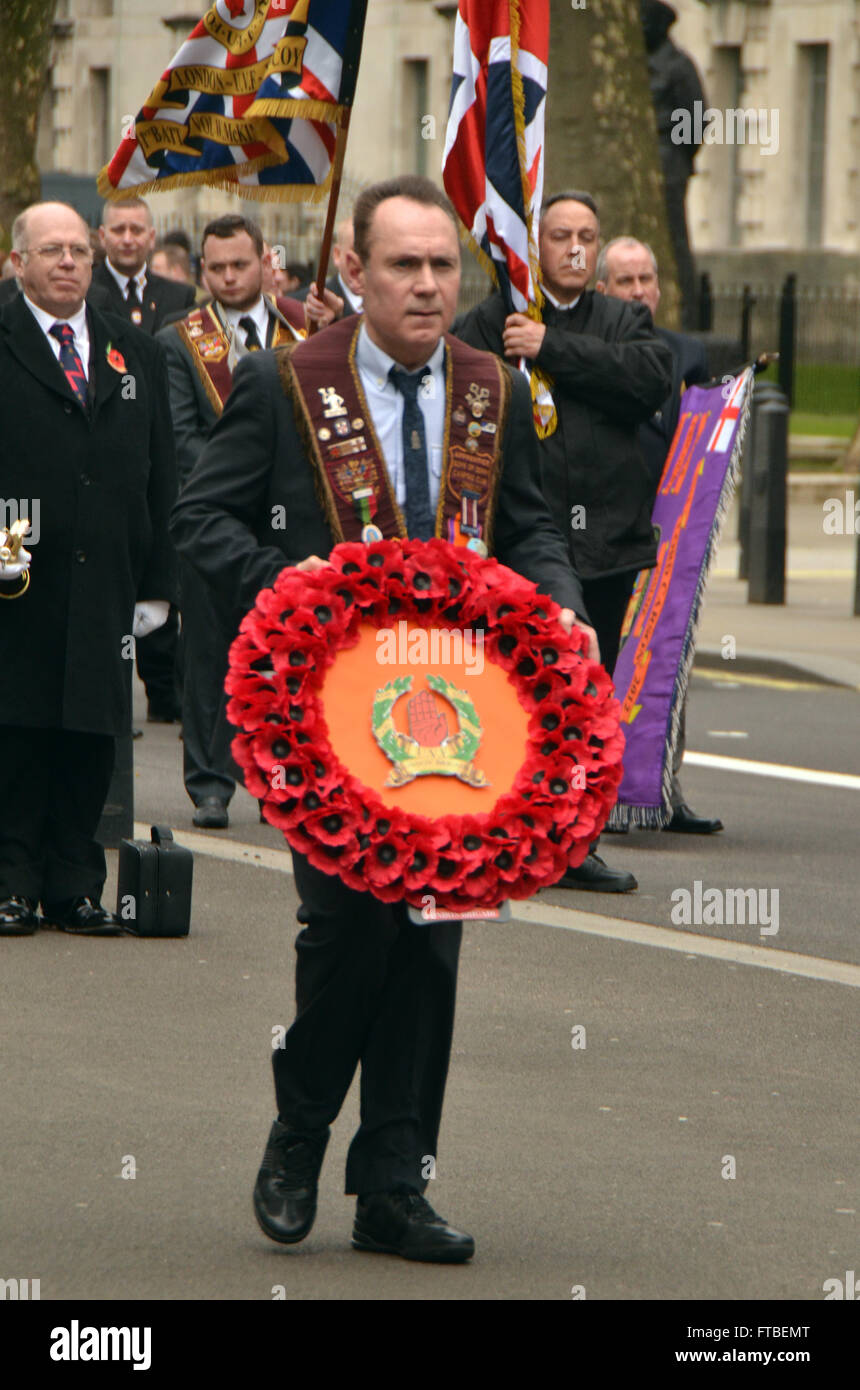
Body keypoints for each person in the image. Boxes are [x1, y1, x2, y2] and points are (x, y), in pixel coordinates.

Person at [171, 174, 597, 1263]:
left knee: (431, 943)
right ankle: (301, 1128)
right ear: (351, 272)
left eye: (440, 265)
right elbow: (202, 517)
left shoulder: (489, 387)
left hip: (459, 722)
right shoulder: (282, 381)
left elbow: (533, 526)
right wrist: (289, 580)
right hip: (327, 723)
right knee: (348, 934)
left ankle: (395, 1185)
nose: (423, 284)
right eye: (400, 264)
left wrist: (560, 611)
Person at [455, 191, 674, 892]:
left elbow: (646, 379)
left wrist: (553, 348)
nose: (575, 248)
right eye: (559, 236)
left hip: (605, 545)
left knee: (586, 696)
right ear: (532, 244)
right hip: (519, 546)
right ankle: (500, 827)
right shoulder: (490, 321)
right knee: (511, 690)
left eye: (587, 236)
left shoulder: (621, 319)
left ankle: (576, 840)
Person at [0, 201, 176, 936]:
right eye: (51, 250)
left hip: (105, 573)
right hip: (15, 566)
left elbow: (160, 473)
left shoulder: (132, 351)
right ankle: (11, 881)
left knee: (90, 730)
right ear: (18, 263)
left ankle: (75, 884)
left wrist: (157, 583)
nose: (68, 262)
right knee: (18, 726)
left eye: (78, 249)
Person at [158, 214, 314, 830]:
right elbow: (181, 437)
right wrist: (242, 479)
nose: (227, 277)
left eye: (239, 265)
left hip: (292, 521)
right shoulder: (178, 340)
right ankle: (211, 783)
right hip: (215, 515)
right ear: (201, 271)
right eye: (215, 267)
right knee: (209, 652)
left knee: (295, 653)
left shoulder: (308, 328)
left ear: (267, 265)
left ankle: (290, 777)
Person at [596, 236, 722, 834]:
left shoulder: (686, 354)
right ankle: (605, 793)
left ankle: (664, 789)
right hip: (604, 532)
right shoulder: (590, 351)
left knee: (668, 660)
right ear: (603, 291)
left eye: (647, 279)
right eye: (626, 282)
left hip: (669, 533)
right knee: (610, 664)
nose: (640, 292)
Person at [89, 197, 193, 725]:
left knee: (161, 571)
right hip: (110, 446)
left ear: (152, 237)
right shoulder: (87, 293)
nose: (128, 238)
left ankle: (165, 694)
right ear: (101, 236)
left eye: (137, 230)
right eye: (118, 229)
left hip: (163, 443)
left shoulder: (180, 296)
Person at [641, 0, 706, 331]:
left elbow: (695, 124)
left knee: (675, 241)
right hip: (644, 162)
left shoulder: (679, 67)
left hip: (669, 162)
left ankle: (686, 316)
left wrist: (676, 157)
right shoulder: (636, 64)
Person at [294, 217, 363, 316]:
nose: (365, 259)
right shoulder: (300, 305)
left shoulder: (389, 303)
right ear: (337, 254)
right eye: (357, 250)